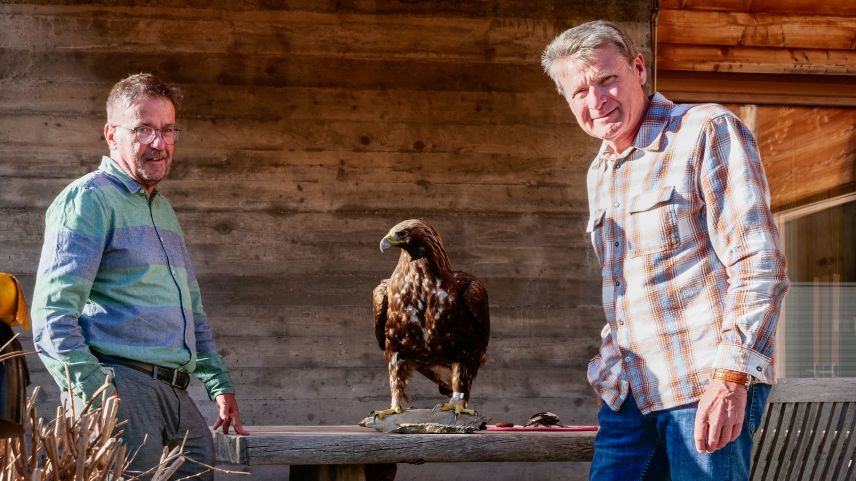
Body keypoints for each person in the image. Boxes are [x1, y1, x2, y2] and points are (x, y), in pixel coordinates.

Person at [541, 21, 790, 480]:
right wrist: (609, 367)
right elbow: (624, 288)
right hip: (629, 397)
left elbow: (760, 264)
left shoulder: (704, 130)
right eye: (579, 92)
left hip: (703, 388)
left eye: (606, 79)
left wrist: (733, 378)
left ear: (639, 68)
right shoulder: (601, 169)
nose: (595, 101)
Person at [32, 73, 248, 480]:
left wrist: (219, 384)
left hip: (175, 390)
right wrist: (94, 392)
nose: (158, 142)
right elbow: (52, 315)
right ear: (111, 134)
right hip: (121, 386)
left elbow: (192, 306)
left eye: (168, 130)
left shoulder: (162, 209)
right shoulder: (89, 200)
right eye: (144, 129)